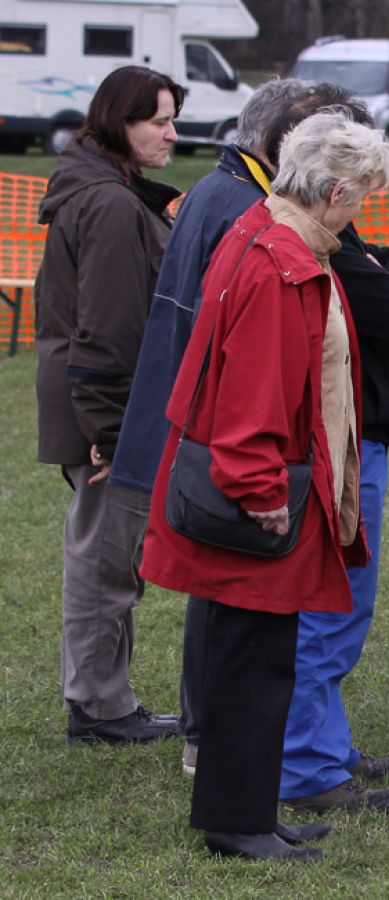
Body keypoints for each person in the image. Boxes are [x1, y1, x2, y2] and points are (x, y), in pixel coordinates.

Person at [113, 81, 389, 813]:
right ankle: (274, 794)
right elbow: (253, 392)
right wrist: (263, 494)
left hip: (282, 476)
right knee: (278, 645)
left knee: (262, 652)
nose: (359, 216)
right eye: (360, 199)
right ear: (335, 190)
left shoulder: (266, 232)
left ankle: (256, 802)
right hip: (274, 489)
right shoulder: (280, 259)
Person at [34, 65, 185, 745]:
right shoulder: (112, 207)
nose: (171, 135)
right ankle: (98, 707)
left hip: (103, 409)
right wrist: (110, 430)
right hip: (105, 415)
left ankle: (105, 698)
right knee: (104, 558)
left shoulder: (110, 191)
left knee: (108, 553)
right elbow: (106, 330)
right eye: (159, 121)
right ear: (120, 122)